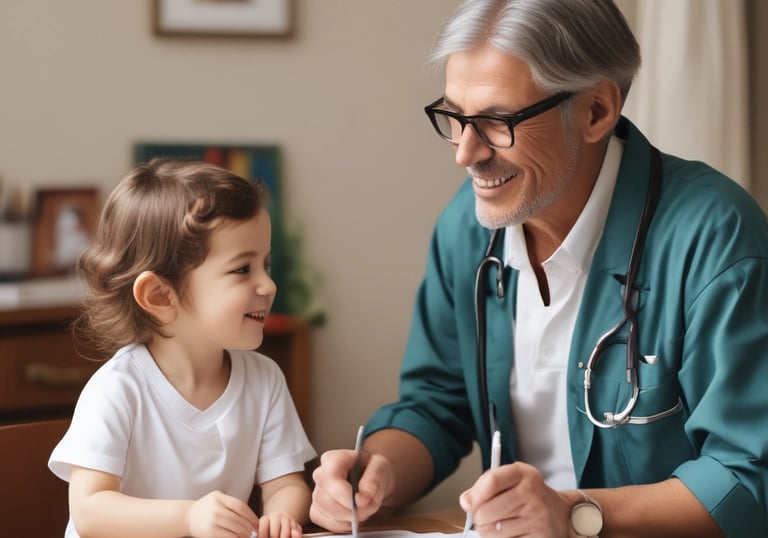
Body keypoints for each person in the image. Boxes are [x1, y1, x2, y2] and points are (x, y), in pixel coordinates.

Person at [309, 1, 768, 537]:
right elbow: (437, 404)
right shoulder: (467, 226)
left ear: (596, 111)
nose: (465, 153)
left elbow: (746, 477)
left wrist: (573, 515)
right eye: (455, 117)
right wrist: (376, 473)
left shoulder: (716, 237)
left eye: (496, 122)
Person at [49, 158, 316, 538]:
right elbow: (91, 511)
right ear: (160, 295)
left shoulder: (265, 379)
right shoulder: (117, 389)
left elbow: (286, 485)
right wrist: (189, 518)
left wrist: (280, 517)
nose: (268, 286)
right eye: (243, 269)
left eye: (266, 264)